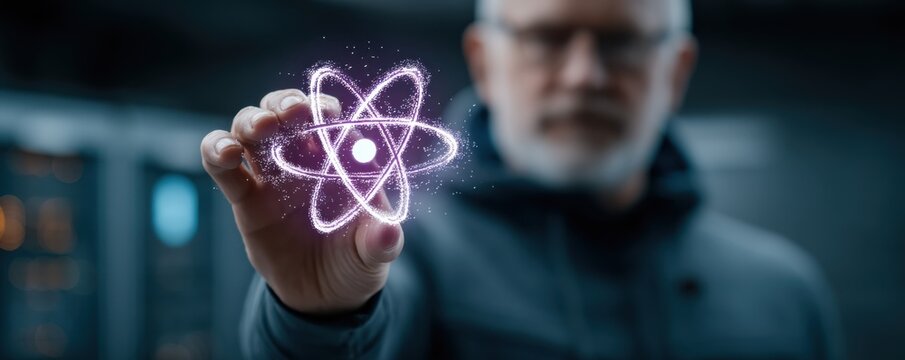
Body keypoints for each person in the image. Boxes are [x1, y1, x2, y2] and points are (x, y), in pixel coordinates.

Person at [199, 0, 843, 358]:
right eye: (547, 38)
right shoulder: (403, 248)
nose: (583, 75)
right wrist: (320, 315)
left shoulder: (786, 294)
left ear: (676, 71)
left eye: (621, 44)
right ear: (484, 59)